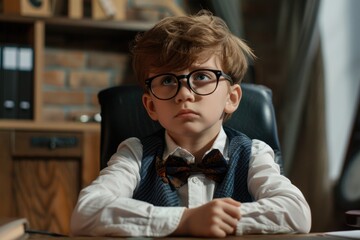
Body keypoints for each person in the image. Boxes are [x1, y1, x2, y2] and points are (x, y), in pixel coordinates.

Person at [70, 10, 311, 238]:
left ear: (231, 98)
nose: (184, 94)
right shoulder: (134, 153)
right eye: (167, 80)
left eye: (202, 76)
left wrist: (222, 220)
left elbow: (296, 212)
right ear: (151, 106)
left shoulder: (253, 154)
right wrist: (184, 220)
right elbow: (86, 211)